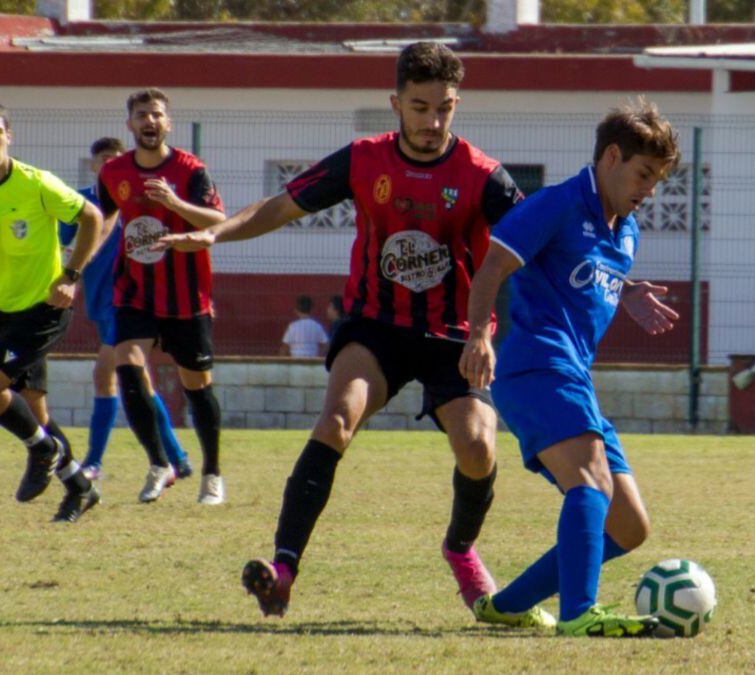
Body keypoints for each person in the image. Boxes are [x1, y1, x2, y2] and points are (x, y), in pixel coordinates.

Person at [158, 42, 551, 626]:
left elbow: (537, 243)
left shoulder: (481, 175)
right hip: (376, 328)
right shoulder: (363, 160)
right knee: (338, 419)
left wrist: (498, 328)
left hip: (454, 335)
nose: (432, 121)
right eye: (419, 107)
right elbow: (280, 206)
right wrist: (218, 235)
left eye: (443, 108)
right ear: (395, 103)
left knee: (477, 448)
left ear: (456, 104)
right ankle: (283, 568)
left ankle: (461, 550)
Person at [458, 98, 682, 637]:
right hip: (536, 365)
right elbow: (492, 268)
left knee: (629, 527)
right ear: (611, 156)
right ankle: (581, 614)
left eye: (658, 179)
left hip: (575, 376)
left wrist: (626, 292)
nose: (649, 189)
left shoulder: (626, 231)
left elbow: (582, 271)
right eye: (643, 174)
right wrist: (479, 336)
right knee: (590, 483)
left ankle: (507, 606)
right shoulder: (556, 204)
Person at [0, 99, 103, 522]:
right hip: (1, 308)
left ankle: (42, 450)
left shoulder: (37, 183)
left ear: (9, 136)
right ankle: (79, 486)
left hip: (44, 308)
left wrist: (70, 274)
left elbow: (93, 217)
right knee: (35, 412)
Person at [97, 88, 226, 505]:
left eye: (156, 115)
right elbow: (102, 219)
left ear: (168, 123)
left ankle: (211, 473)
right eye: (141, 115)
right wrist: (74, 266)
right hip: (134, 292)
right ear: (130, 124)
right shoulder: (113, 172)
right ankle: (159, 463)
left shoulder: (190, 170)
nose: (149, 122)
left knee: (197, 387)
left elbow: (217, 220)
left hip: (187, 298)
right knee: (127, 365)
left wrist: (174, 202)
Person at [57, 137, 193, 482]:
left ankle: (94, 462)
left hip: (130, 299)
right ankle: (177, 457)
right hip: (100, 300)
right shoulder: (84, 201)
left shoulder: (138, 197)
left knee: (107, 375)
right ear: (94, 165)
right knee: (138, 381)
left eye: (116, 160)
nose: (110, 166)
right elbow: (62, 240)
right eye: (104, 160)